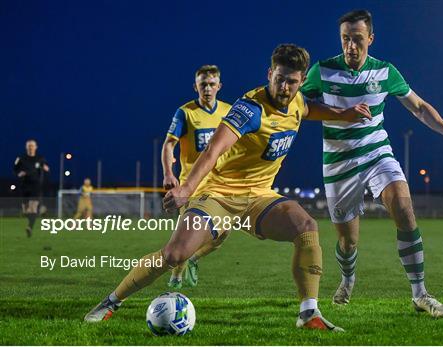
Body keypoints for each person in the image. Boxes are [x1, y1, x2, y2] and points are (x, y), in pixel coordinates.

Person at [84, 44, 371, 331]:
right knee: (175, 255)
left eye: (292, 81)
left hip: (259, 198)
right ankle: (111, 301)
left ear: (301, 80)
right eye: (279, 78)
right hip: (219, 196)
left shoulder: (297, 101)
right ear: (269, 73)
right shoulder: (250, 108)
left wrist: (343, 114)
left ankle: (309, 314)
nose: (284, 87)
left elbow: (308, 108)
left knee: (306, 226)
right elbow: (212, 150)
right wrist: (186, 188)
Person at [301, 10, 443, 317]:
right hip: (338, 164)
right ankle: (347, 277)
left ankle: (420, 294)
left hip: (377, 154)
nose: (351, 46)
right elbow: (298, 106)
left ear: (370, 38)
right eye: (345, 39)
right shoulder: (323, 71)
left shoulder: (385, 72)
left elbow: (419, 107)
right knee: (347, 241)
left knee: (405, 210)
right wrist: (337, 114)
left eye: (357, 39)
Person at [162, 65, 232, 289]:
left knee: (223, 233)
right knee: (186, 238)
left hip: (220, 185)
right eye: (203, 84)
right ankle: (176, 276)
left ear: (219, 86)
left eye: (212, 84)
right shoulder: (186, 112)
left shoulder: (229, 111)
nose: (208, 89)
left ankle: (193, 259)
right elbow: (168, 145)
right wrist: (168, 173)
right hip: (191, 186)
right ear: (196, 87)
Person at [13, 139, 49, 237]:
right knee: (26, 211)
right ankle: (40, 211)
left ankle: (29, 227)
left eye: (32, 146)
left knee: (32, 208)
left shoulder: (40, 158)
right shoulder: (21, 158)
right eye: (29, 146)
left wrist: (45, 168)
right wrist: (19, 173)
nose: (31, 147)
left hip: (35, 185)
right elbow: (15, 169)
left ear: (36, 147)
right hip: (24, 185)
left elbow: (46, 168)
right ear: (26, 147)